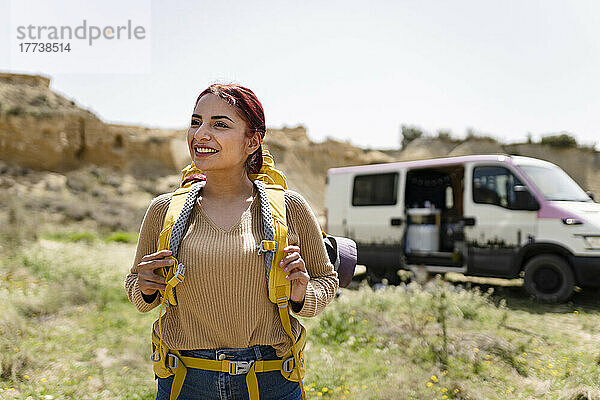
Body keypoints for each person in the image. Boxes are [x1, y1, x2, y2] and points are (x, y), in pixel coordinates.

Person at [124, 83, 339, 400]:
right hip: (186, 382)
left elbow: (326, 280)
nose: (200, 134)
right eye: (196, 122)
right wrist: (144, 287)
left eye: (219, 124)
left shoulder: (290, 207)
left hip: (271, 381)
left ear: (252, 141)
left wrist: (302, 293)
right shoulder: (163, 210)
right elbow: (135, 285)